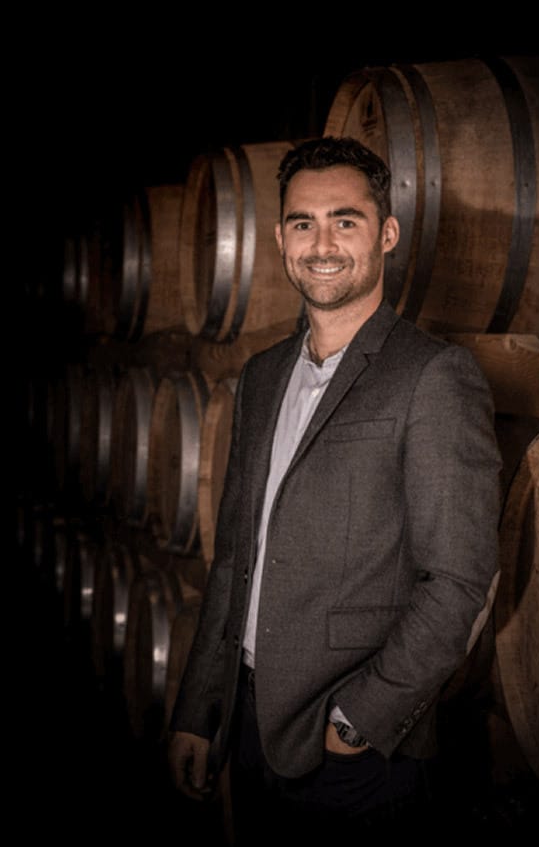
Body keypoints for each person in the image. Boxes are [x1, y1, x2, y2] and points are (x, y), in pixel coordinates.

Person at [168, 136, 501, 844]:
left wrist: (359, 722)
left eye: (345, 221)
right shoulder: (261, 376)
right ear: (281, 239)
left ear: (387, 234)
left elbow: (460, 578)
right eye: (303, 223)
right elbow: (235, 558)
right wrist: (199, 708)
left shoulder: (433, 375)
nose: (321, 244)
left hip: (355, 755)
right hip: (247, 722)